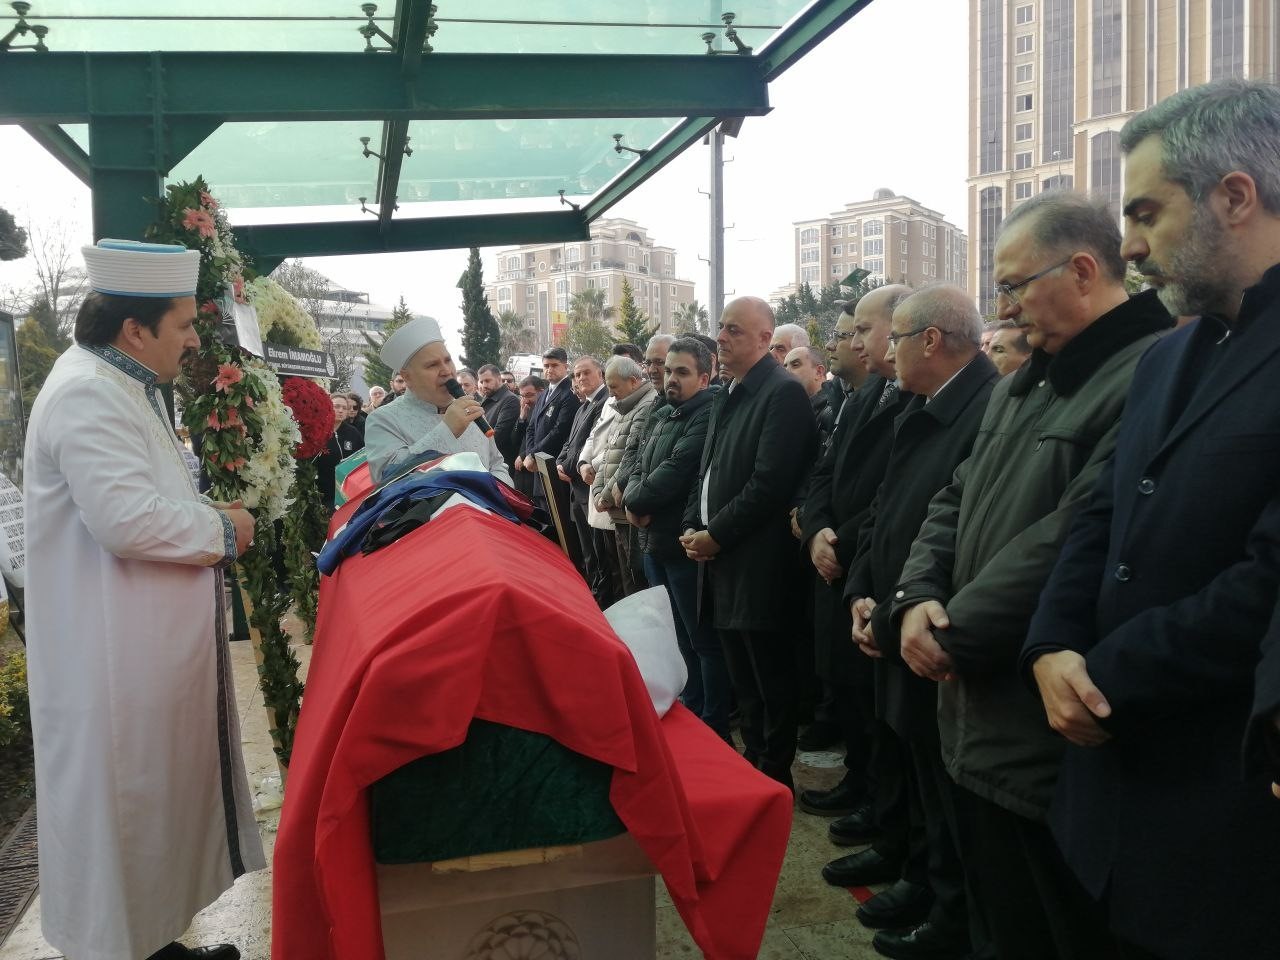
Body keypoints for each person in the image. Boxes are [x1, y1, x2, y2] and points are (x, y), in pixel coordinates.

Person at [1021, 79, 1280, 960]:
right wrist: (1051, 643)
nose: (1128, 247)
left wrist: (1102, 674)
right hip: (1104, 804)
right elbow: (1100, 512)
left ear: (1235, 196)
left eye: (1145, 213)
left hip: (1223, 819)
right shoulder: (1170, 355)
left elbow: (1266, 581)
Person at [888, 191, 1170, 960]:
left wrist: (952, 632)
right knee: (994, 921)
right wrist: (917, 597)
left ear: (1081, 271)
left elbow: (1070, 535)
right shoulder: (1025, 381)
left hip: (1034, 724)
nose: (1005, 308)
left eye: (1015, 286)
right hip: (971, 711)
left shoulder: (1147, 373)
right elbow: (956, 496)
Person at [24, 239, 263, 960]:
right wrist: (223, 529)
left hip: (133, 651)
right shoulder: (88, 392)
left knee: (149, 821)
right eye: (183, 326)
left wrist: (204, 512)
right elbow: (125, 520)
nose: (193, 341)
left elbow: (144, 496)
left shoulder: (119, 381)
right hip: (108, 662)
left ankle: (157, 946)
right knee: (124, 823)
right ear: (134, 329)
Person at [844, 285, 998, 959]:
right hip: (893, 613)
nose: (883, 350)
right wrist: (861, 589)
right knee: (914, 769)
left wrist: (899, 606)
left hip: (933, 627)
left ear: (930, 340)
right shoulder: (920, 405)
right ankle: (922, 880)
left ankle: (950, 913)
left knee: (945, 786)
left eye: (895, 337)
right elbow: (887, 508)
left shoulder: (986, 408)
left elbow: (959, 533)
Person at [799, 287, 916, 877]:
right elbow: (827, 470)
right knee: (844, 683)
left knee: (877, 704)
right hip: (839, 559)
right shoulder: (866, 396)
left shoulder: (914, 398)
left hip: (867, 564)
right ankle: (862, 782)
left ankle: (882, 806)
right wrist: (816, 528)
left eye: (862, 330)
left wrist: (839, 541)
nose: (853, 342)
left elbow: (891, 496)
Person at [681, 296, 817, 789]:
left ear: (765, 338)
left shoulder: (782, 393)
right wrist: (693, 524)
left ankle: (773, 776)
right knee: (743, 677)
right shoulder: (729, 392)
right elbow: (708, 470)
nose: (720, 337)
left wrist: (716, 534)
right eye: (721, 327)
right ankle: (753, 767)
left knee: (769, 679)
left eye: (734, 330)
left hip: (760, 565)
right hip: (722, 561)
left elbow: (769, 484)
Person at [625, 338, 728, 738]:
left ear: (705, 377)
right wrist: (633, 498)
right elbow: (639, 463)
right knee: (677, 636)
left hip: (683, 545)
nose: (670, 379)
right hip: (655, 543)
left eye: (682, 372)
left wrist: (635, 499)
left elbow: (677, 470)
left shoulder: (707, 414)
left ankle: (713, 722)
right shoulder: (663, 412)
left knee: (701, 639)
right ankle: (692, 704)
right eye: (669, 371)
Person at [363, 316, 511, 485]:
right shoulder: (382, 420)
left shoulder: (470, 408)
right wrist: (448, 430)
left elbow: (497, 464)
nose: (446, 371)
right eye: (432, 365)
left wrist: (496, 495)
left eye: (448, 360)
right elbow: (389, 480)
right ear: (407, 376)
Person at [592, 356, 658, 597]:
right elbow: (609, 451)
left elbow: (629, 457)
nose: (610, 393)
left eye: (613, 386)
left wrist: (605, 495)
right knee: (624, 577)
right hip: (615, 507)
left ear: (632, 381)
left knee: (635, 581)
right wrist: (598, 490)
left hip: (627, 506)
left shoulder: (646, 406)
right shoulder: (624, 406)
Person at [554, 357, 613, 605]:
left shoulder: (605, 402)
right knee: (587, 550)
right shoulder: (583, 406)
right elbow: (569, 443)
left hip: (590, 487)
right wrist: (560, 462)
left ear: (600, 373)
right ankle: (592, 594)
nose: (580, 378)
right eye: (577, 375)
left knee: (600, 553)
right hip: (576, 489)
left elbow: (589, 444)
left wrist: (567, 466)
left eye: (586, 372)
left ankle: (602, 600)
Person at [518, 347, 580, 508]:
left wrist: (533, 454)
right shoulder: (545, 393)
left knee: (557, 515)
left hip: (555, 465)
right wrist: (530, 454)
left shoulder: (570, 393)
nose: (549, 369)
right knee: (543, 514)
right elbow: (531, 427)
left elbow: (559, 431)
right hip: (538, 467)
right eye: (546, 366)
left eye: (554, 365)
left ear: (565, 366)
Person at [783, 345, 834, 447]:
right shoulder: (791, 410)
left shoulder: (833, 411)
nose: (786, 372)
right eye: (784, 367)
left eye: (795, 365)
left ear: (818, 372)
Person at [477, 362, 521, 472]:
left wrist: (476, 447)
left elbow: (499, 435)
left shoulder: (510, 400)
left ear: (499, 379)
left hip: (500, 463)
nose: (484, 385)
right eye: (481, 382)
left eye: (487, 381)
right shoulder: (487, 398)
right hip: (486, 459)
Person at [510, 375, 546, 498]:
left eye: (529, 395)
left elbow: (541, 438)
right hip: (521, 471)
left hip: (534, 468)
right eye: (522, 396)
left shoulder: (545, 412)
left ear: (541, 392)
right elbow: (515, 440)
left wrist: (525, 454)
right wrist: (521, 418)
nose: (525, 400)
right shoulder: (526, 409)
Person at [330, 393, 364, 459]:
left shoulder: (353, 432)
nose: (341, 410)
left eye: (344, 408)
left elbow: (362, 454)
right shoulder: (318, 430)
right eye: (336, 406)